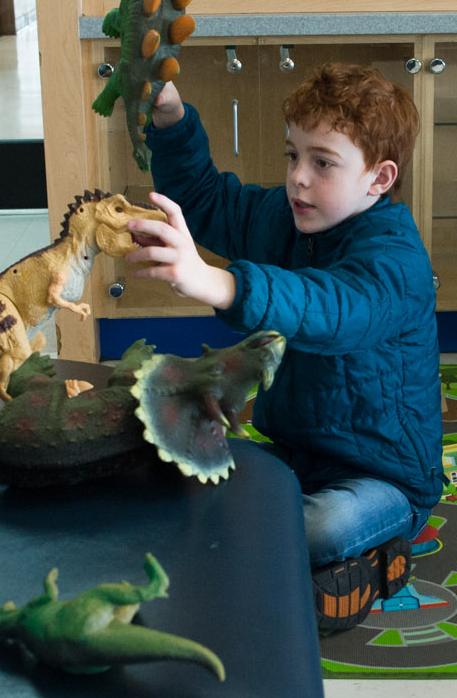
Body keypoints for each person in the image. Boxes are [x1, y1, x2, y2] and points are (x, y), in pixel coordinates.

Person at [125, 62, 441, 633]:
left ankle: (371, 555)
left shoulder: (397, 259)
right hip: (294, 453)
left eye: (323, 163)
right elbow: (205, 198)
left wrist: (222, 284)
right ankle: (282, 560)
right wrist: (170, 116)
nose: (298, 177)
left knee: (320, 526)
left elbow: (334, 308)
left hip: (385, 478)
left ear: (380, 178)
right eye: (292, 155)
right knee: (189, 474)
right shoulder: (286, 216)